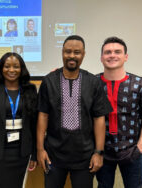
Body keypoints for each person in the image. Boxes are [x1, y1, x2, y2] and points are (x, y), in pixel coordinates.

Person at [37, 35, 113, 188]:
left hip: (85, 156)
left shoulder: (93, 82)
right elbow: (43, 116)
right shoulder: (48, 81)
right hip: (54, 155)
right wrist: (40, 149)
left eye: (77, 52)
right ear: (62, 53)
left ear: (83, 54)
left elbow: (99, 119)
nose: (72, 56)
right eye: (68, 52)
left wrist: (99, 152)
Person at [96, 36, 142, 188]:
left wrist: (140, 148)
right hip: (102, 151)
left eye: (117, 51)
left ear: (126, 57)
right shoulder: (93, 84)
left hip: (132, 151)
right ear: (101, 58)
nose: (112, 55)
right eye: (107, 52)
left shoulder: (141, 85)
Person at [0, 52, 37, 188]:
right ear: (1, 68)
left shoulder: (30, 90)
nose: (11, 70)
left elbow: (34, 125)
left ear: (21, 69)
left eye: (16, 66)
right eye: (7, 66)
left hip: (22, 152)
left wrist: (34, 154)